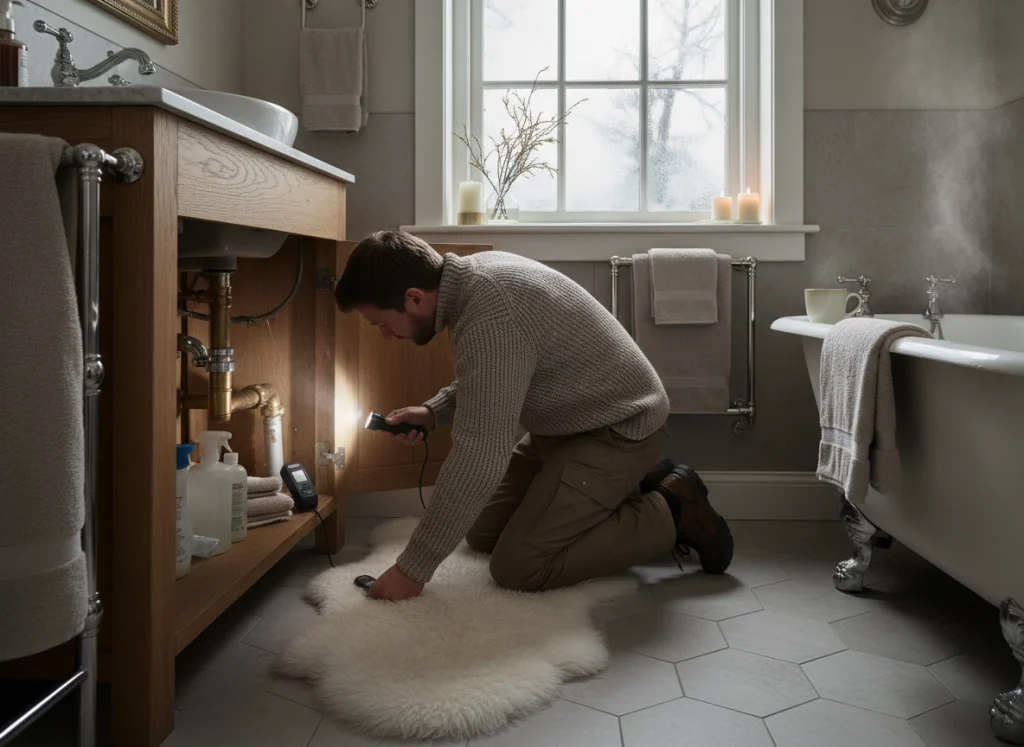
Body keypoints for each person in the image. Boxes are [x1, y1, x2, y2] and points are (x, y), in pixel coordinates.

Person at [334, 231, 734, 602]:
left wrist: (413, 569)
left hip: (618, 429)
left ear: (415, 298)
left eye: (383, 324)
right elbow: (498, 374)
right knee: (484, 532)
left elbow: (479, 454)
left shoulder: (492, 313)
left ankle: (672, 507)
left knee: (519, 566)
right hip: (565, 427)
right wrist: (433, 411)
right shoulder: (475, 281)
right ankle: (625, 486)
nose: (386, 336)